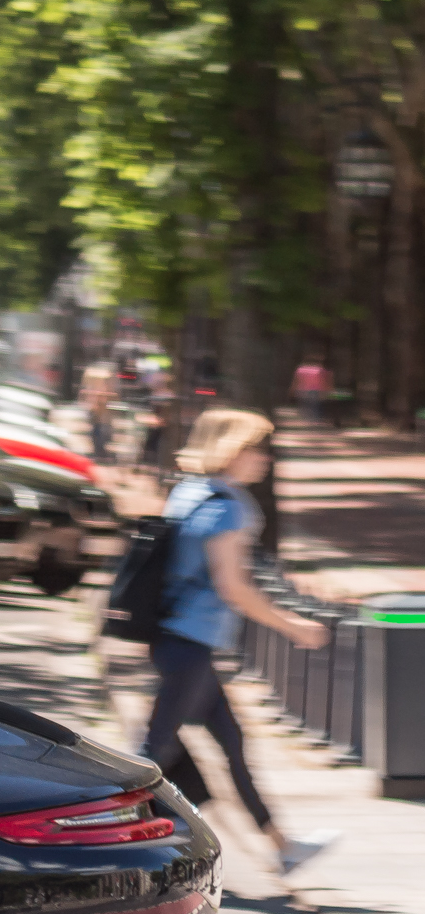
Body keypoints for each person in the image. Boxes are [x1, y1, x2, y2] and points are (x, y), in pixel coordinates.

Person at [144, 408, 338, 873]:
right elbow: (234, 588)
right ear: (230, 449)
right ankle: (98, 842)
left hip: (177, 638)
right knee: (150, 754)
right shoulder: (226, 507)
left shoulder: (188, 492)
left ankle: (283, 846)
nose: (264, 459)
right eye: (256, 448)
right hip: (189, 643)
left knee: (232, 741)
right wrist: (293, 626)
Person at [80, 362, 118, 466]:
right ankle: (99, 452)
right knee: (98, 431)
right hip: (98, 413)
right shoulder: (101, 388)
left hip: (100, 414)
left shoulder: (100, 388)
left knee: (100, 431)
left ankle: (100, 452)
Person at [292, 356, 333, 425]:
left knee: (305, 404)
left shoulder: (300, 369)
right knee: (315, 405)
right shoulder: (320, 370)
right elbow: (324, 381)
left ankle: (306, 418)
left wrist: (293, 389)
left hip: (302, 389)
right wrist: (326, 390)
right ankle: (314, 419)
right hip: (316, 390)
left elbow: (297, 380)